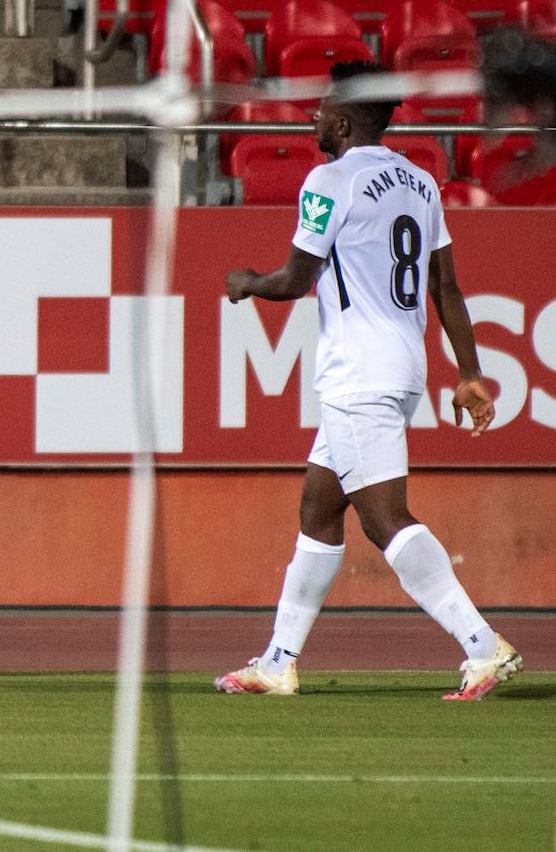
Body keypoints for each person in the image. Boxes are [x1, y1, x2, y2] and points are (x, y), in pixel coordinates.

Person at [216, 59, 521, 702]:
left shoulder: (329, 181)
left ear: (345, 123)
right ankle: (278, 661)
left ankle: (481, 644)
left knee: (384, 519)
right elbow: (445, 285)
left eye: (325, 108)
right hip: (402, 366)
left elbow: (296, 280)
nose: (315, 115)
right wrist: (469, 372)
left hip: (358, 373)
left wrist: (248, 283)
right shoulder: (420, 182)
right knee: (320, 508)